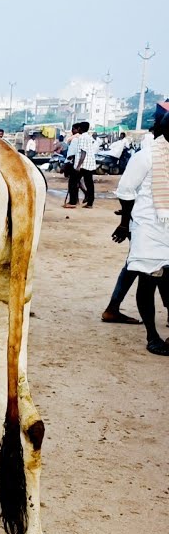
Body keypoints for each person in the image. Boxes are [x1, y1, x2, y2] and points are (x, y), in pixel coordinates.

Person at [112, 113, 169, 355]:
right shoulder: (146, 156)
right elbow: (125, 191)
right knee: (147, 281)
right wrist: (125, 224)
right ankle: (152, 336)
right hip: (148, 228)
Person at [64, 121, 96, 208]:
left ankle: (73, 202)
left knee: (73, 182)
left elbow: (83, 152)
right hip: (90, 164)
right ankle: (90, 203)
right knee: (89, 184)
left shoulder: (82, 138)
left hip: (83, 165)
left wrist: (78, 166)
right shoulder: (89, 137)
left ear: (79, 128)